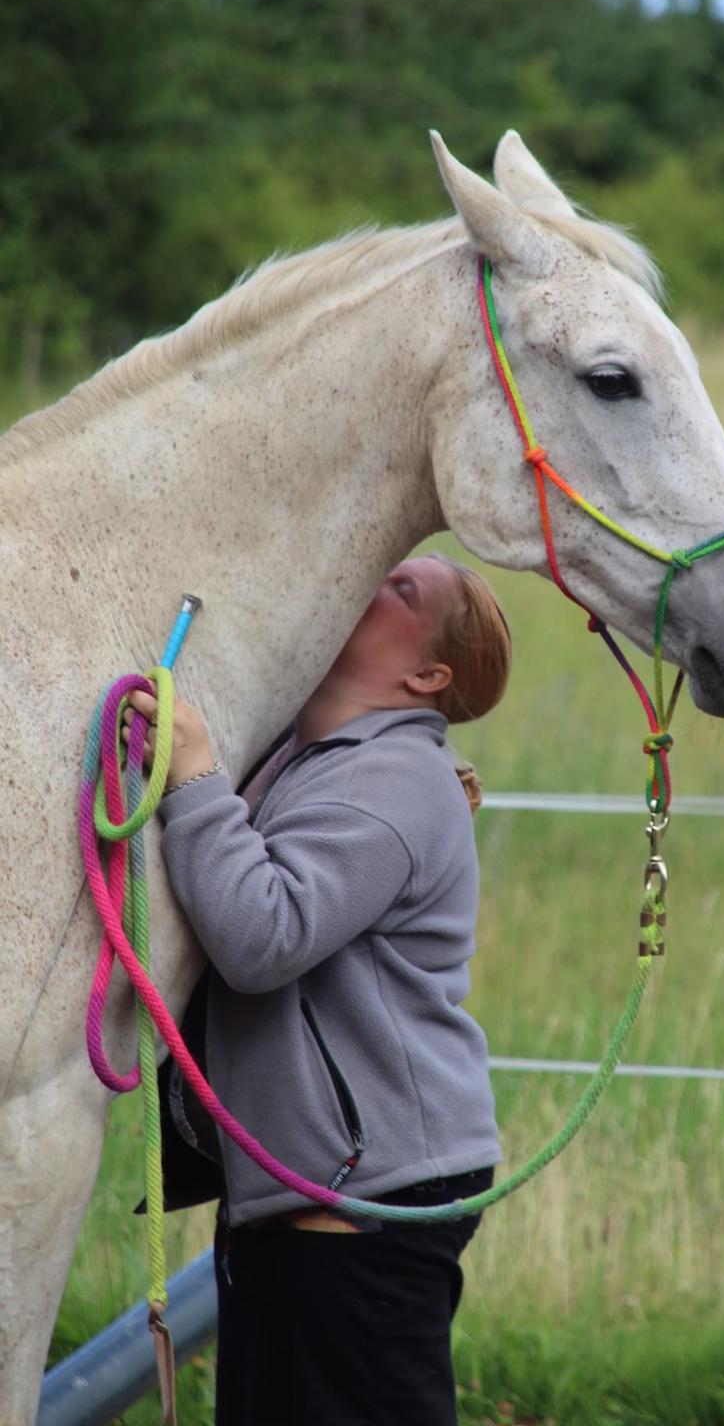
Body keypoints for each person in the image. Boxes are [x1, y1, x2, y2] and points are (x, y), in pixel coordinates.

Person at [125, 554, 512, 1426]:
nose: (375, 575)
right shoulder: (308, 756)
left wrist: (194, 776)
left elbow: (262, 938)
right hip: (322, 1194)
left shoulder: (394, 780)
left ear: (427, 675)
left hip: (363, 1199)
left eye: (402, 588)